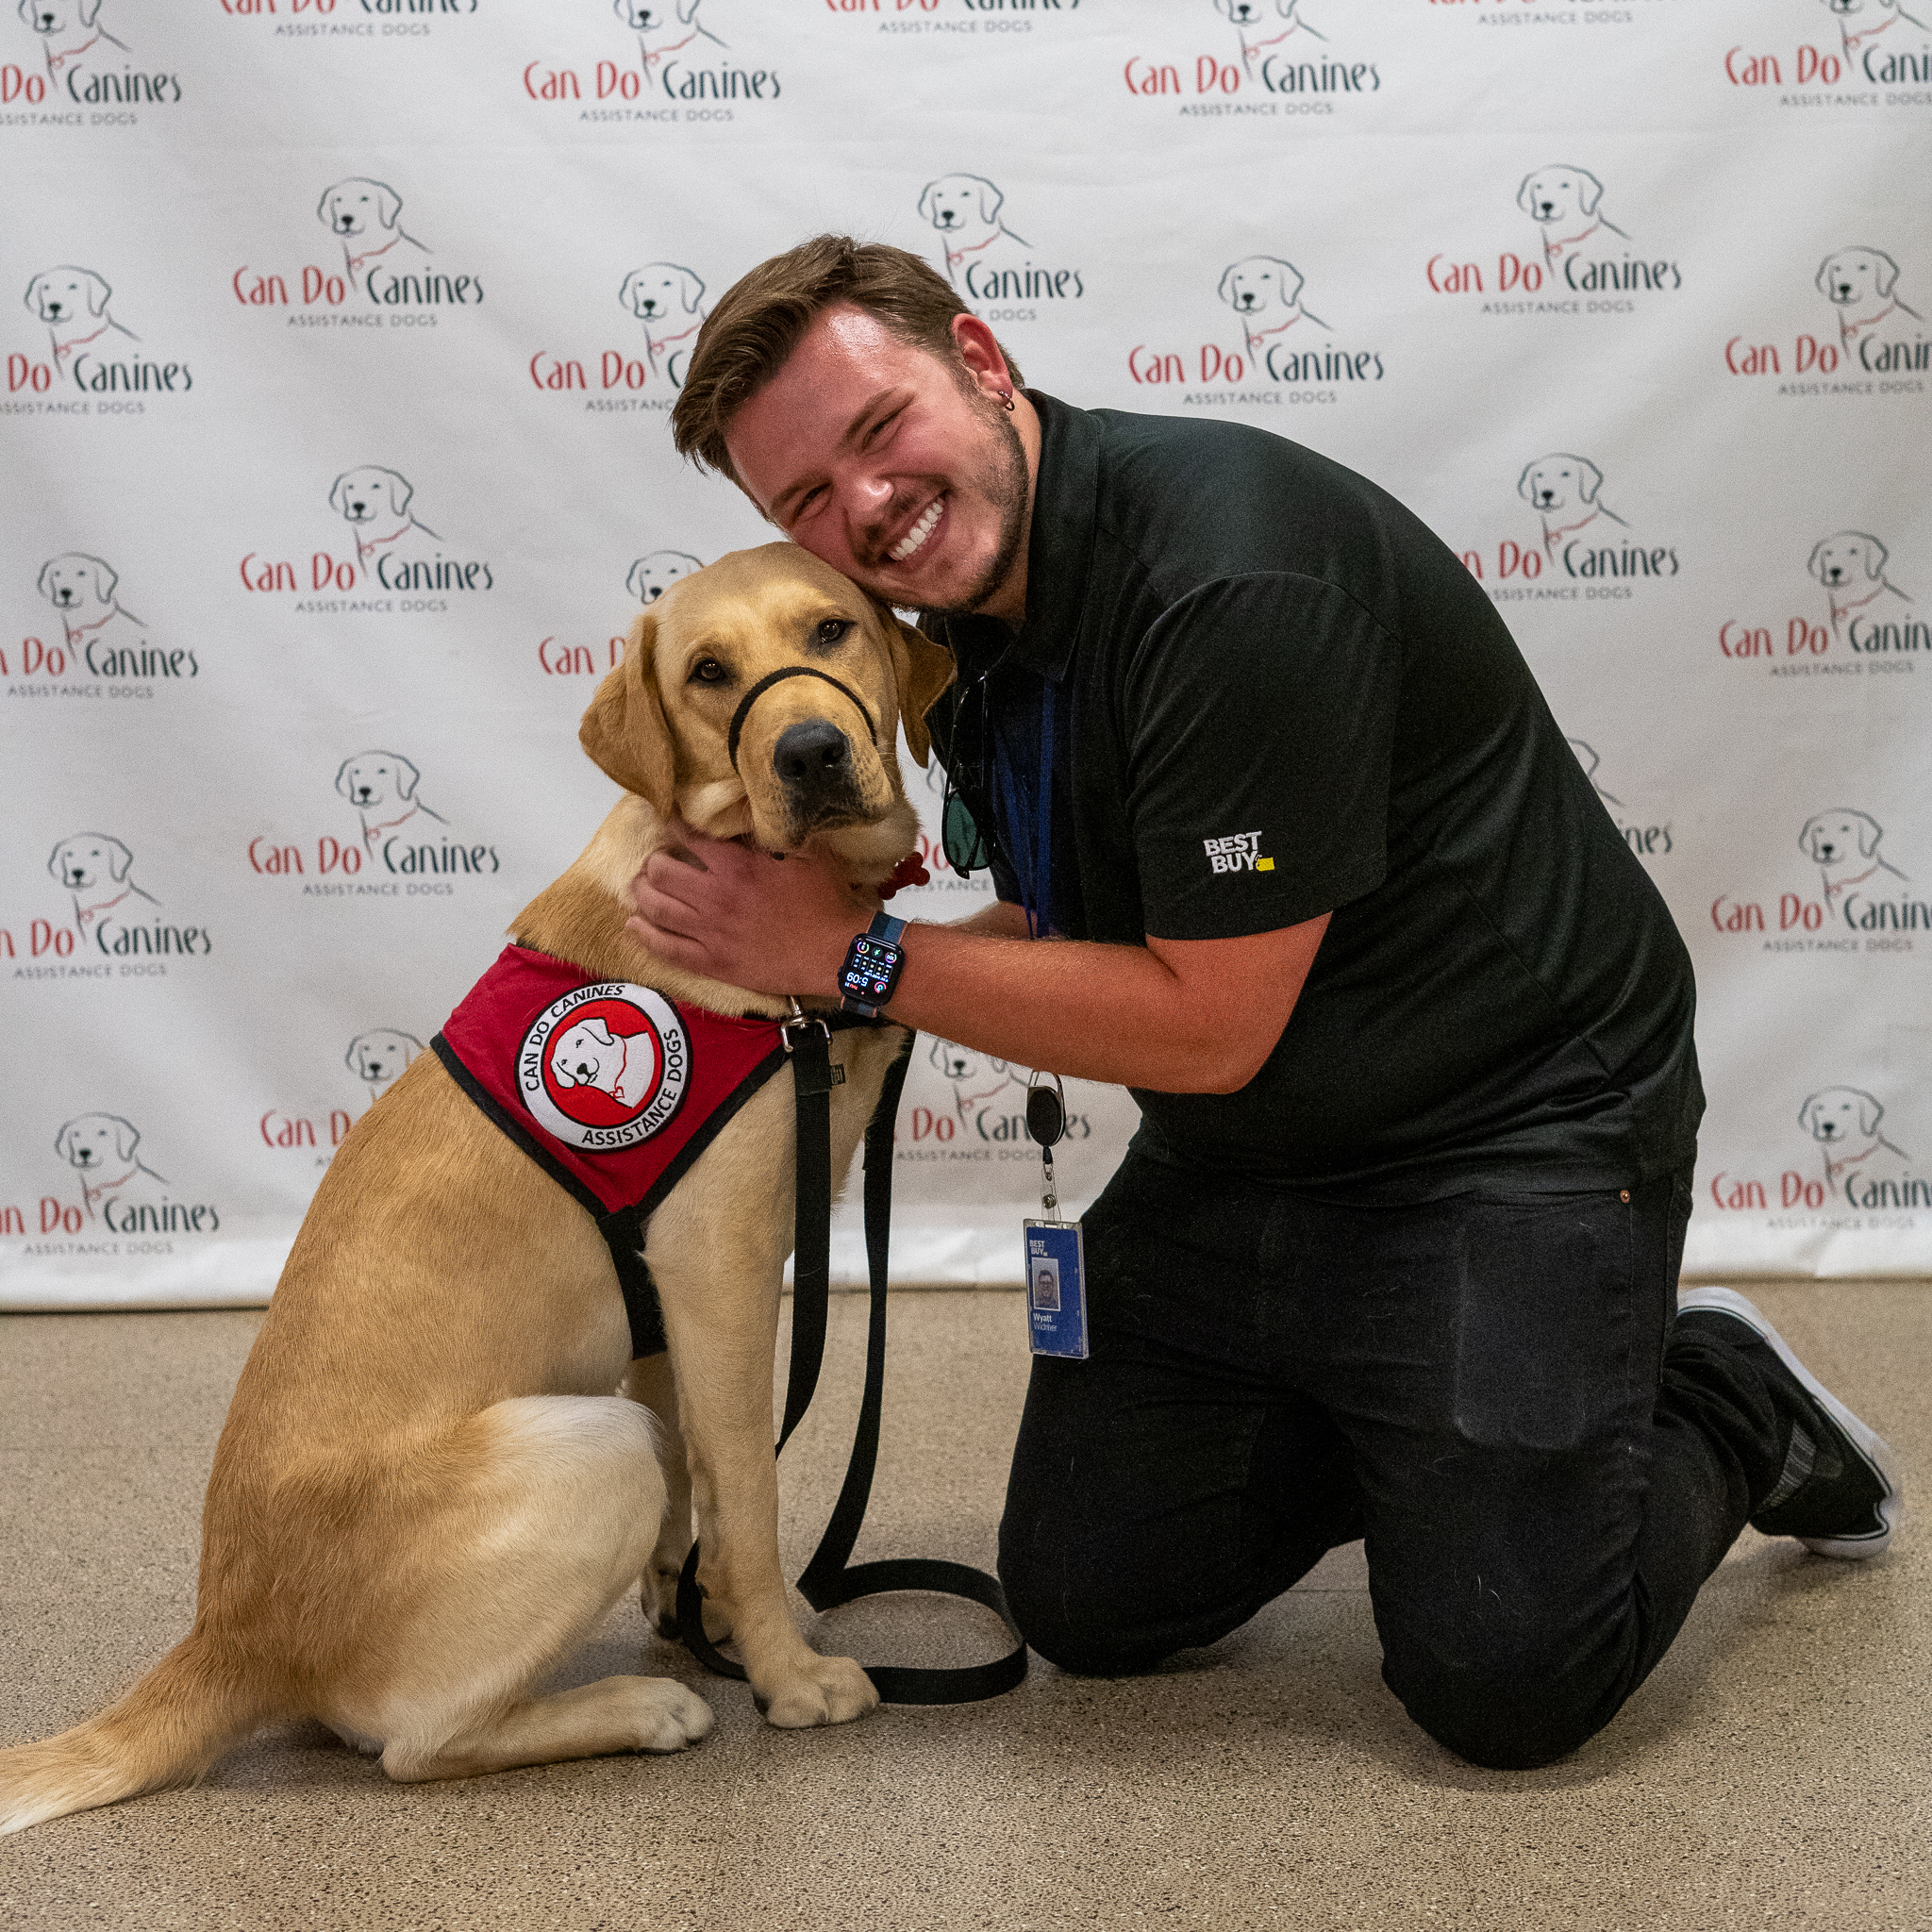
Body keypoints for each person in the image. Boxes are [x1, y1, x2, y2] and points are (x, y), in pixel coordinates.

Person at [629, 236, 1903, 1768]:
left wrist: (848, 960)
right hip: (1245, 1150)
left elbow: (1208, 1022)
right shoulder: (937, 619)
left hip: (1508, 1127)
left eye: (876, 431)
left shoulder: (1233, 576)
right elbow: (1062, 901)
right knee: (1089, 1600)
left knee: (1509, 1680)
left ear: (978, 358)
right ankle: (1440, 1425)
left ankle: (1721, 1397)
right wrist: (821, 949)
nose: (865, 509)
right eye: (804, 504)